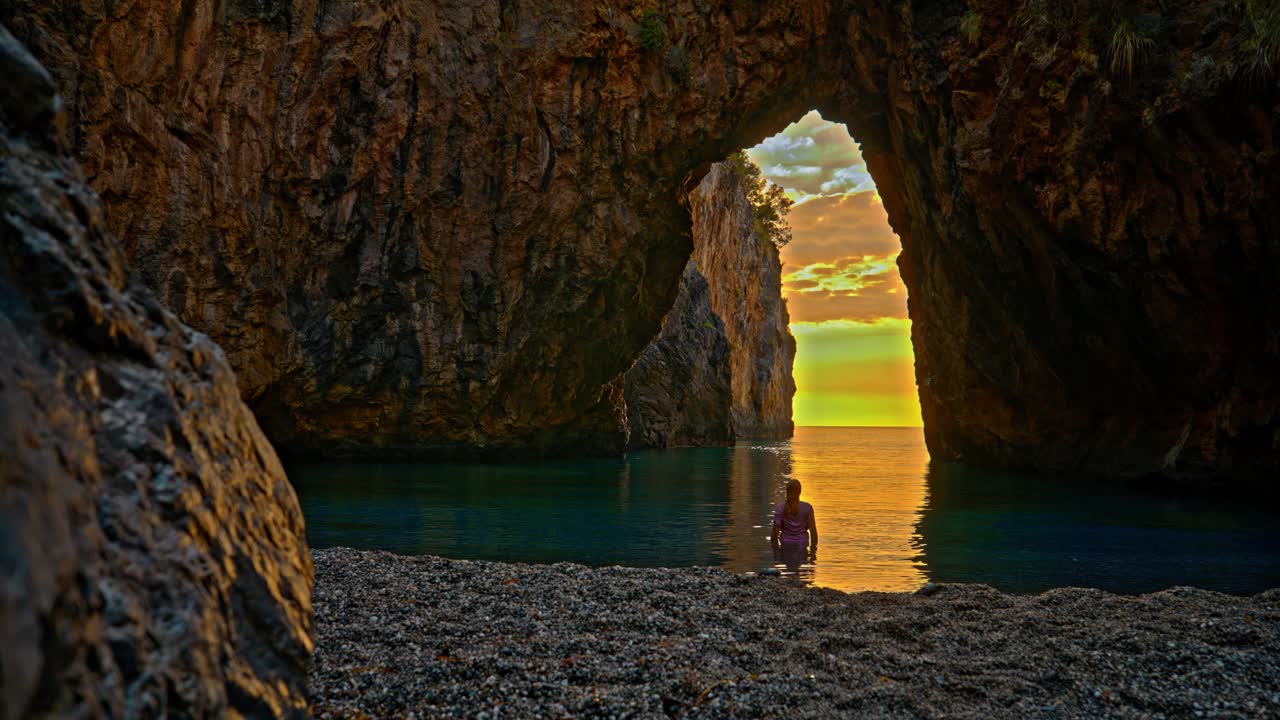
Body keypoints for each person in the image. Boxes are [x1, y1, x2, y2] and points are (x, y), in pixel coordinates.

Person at [771, 479, 817, 573]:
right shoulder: (807, 508)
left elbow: (775, 534)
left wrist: (775, 553)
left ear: (787, 492)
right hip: (802, 545)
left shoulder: (780, 508)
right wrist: (813, 554)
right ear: (800, 491)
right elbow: (813, 533)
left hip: (785, 545)